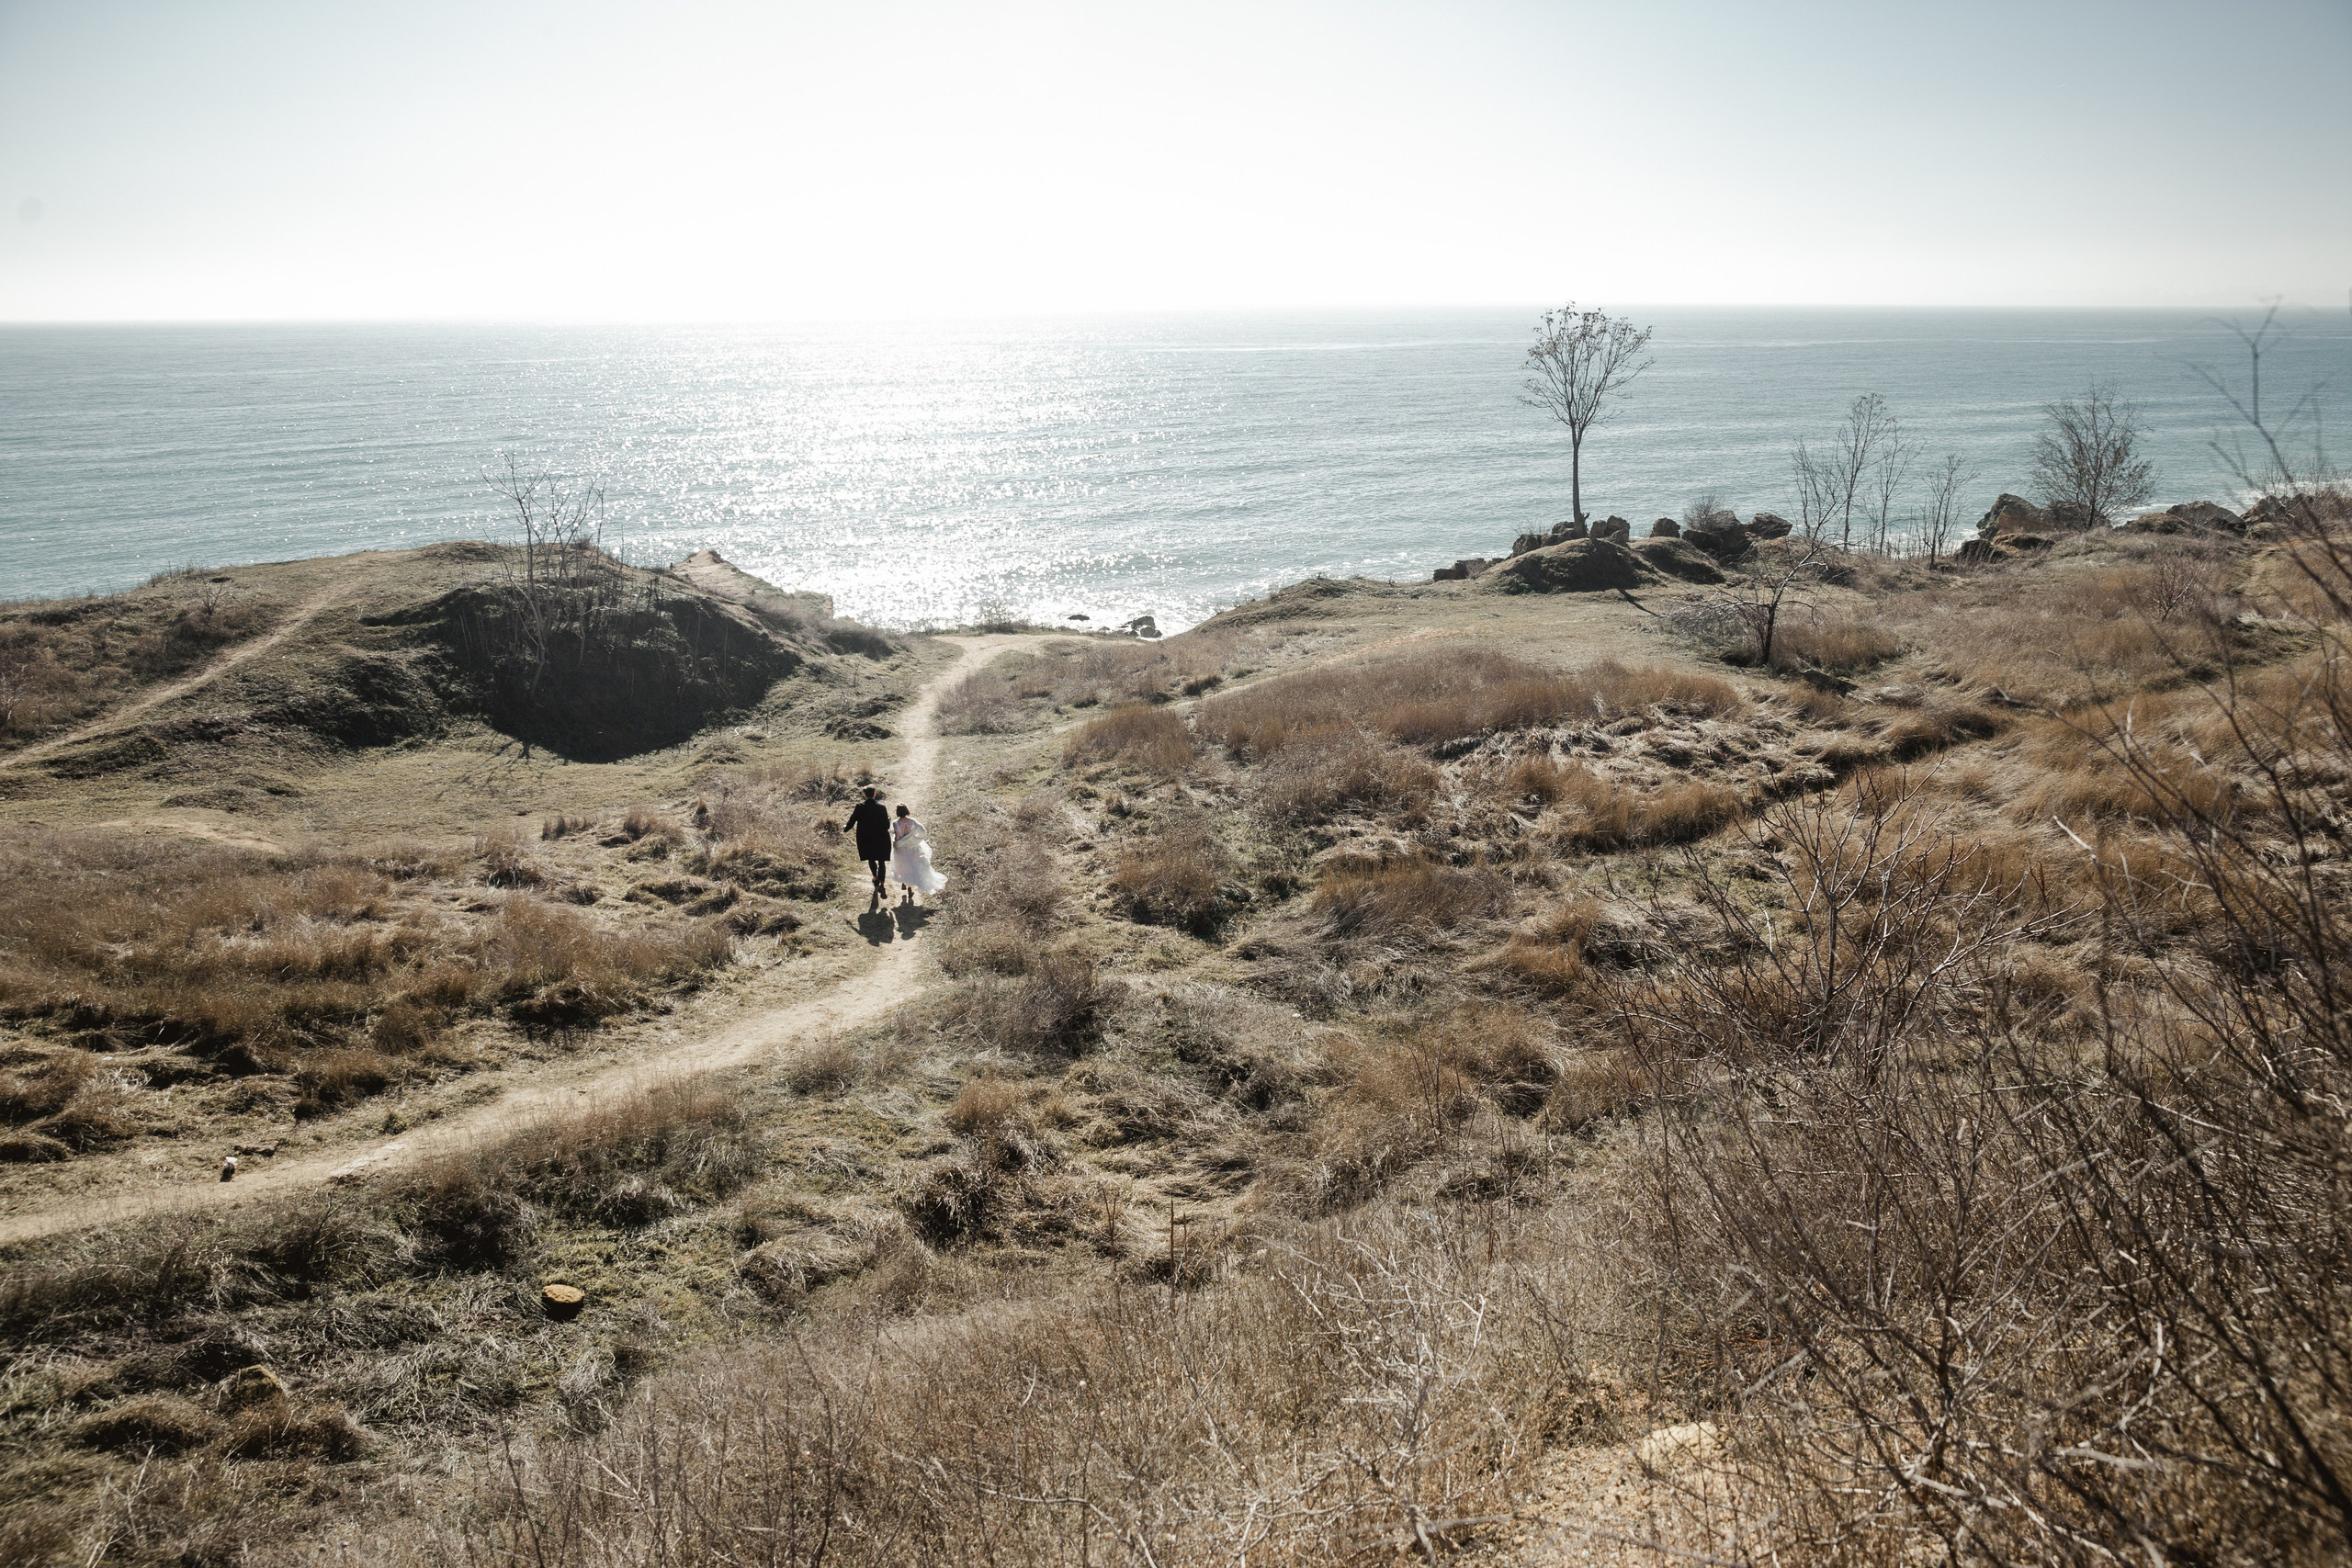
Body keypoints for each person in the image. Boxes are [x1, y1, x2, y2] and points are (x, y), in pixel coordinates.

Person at [889, 803, 948, 902]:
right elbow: (923, 831)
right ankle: (909, 889)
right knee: (912, 865)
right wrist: (914, 839)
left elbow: (898, 838)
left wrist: (896, 841)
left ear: (897, 812)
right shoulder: (913, 821)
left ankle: (904, 882)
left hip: (901, 848)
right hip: (913, 848)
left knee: (902, 865)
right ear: (907, 811)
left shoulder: (895, 823)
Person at [842, 786, 892, 897]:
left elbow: (852, 820)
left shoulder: (860, 807)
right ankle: (882, 885)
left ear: (864, 795)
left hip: (866, 838)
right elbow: (887, 826)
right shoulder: (882, 807)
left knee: (871, 859)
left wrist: (846, 829)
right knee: (882, 862)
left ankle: (875, 878)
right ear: (874, 794)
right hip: (881, 838)